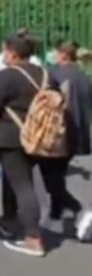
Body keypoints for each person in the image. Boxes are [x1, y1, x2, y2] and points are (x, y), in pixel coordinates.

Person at [0, 34, 64, 257]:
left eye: (4, 50)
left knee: (23, 185)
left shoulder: (5, 77)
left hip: (11, 139)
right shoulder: (46, 75)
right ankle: (8, 220)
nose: (3, 55)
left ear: (13, 53)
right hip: (39, 138)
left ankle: (33, 239)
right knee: (13, 178)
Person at [45, 41, 92, 239]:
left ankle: (78, 210)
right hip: (78, 134)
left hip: (60, 132)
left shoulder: (56, 74)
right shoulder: (82, 75)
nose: (53, 55)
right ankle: (55, 214)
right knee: (58, 174)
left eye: (56, 52)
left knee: (50, 178)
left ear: (63, 54)